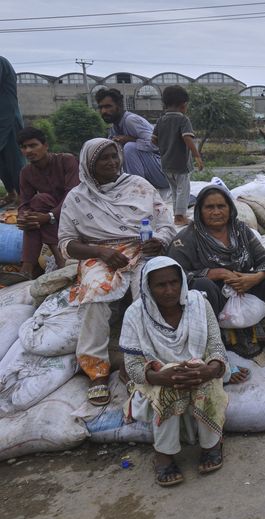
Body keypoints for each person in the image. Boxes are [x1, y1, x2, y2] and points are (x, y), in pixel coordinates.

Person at [59, 138, 175, 405]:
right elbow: (67, 244)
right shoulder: (77, 197)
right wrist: (101, 253)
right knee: (96, 293)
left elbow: (165, 221)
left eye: (115, 156)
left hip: (142, 249)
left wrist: (160, 240)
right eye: (104, 158)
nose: (112, 162)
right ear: (89, 164)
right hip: (99, 254)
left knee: (150, 290)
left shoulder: (139, 186)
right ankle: (96, 370)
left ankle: (145, 361)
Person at [167, 186, 265, 371]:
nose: (216, 212)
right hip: (214, 292)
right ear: (199, 211)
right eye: (209, 207)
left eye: (221, 206)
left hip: (244, 284)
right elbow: (173, 274)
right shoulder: (186, 238)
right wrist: (213, 273)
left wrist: (254, 278)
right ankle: (217, 356)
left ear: (230, 208)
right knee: (203, 287)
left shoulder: (240, 230)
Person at [121, 257, 228, 486]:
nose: (169, 290)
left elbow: (216, 347)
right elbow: (133, 366)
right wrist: (160, 376)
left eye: (174, 282)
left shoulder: (199, 303)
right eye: (161, 285)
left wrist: (210, 370)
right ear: (148, 287)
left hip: (200, 372)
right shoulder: (135, 313)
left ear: (182, 282)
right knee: (169, 383)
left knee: (201, 375)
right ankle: (164, 455)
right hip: (157, 378)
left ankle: (212, 444)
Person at [15, 127, 78, 278]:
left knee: (40, 201)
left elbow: (73, 195)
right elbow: (24, 203)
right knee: (36, 206)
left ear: (45, 145)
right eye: (24, 147)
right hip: (48, 213)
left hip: (76, 209)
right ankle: (29, 268)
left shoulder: (66, 160)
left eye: (33, 145)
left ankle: (30, 266)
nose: (28, 150)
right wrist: (23, 217)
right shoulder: (26, 172)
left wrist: (49, 216)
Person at [95, 87, 170, 194]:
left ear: (119, 106)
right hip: (153, 176)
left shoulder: (130, 120)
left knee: (130, 147)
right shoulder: (114, 127)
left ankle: (138, 192)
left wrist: (130, 139)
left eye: (108, 106)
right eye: (101, 107)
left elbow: (157, 144)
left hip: (165, 171)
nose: (104, 111)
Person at [151, 85, 204, 226]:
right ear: (183, 104)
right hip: (180, 163)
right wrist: (197, 156)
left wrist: (165, 148)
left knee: (174, 190)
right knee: (183, 190)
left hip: (166, 163)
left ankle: (177, 215)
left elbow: (153, 140)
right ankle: (180, 217)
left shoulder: (160, 120)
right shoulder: (183, 119)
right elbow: (187, 138)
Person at [0, 56, 24, 207]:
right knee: (1, 162)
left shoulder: (1, 62)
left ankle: (24, 195)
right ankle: (11, 192)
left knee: (14, 159)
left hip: (8, 118)